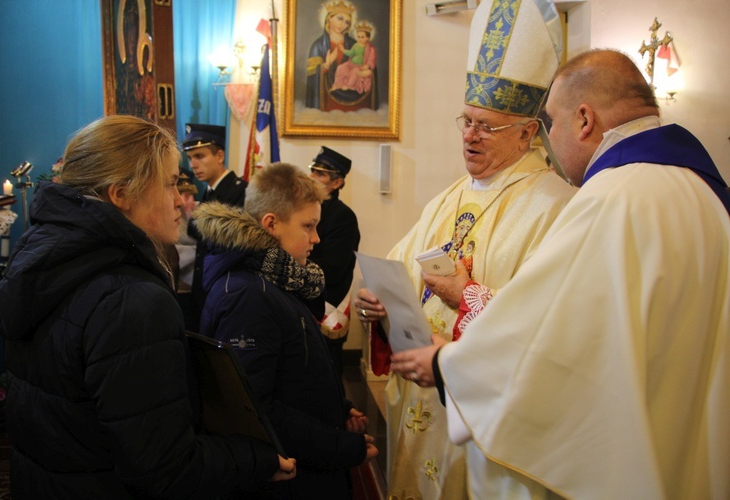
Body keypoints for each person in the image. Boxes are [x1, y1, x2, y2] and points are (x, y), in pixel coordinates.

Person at [390, 49, 730, 498]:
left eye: (549, 124)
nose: (548, 143)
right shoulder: (703, 192)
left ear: (584, 120)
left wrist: (448, 364)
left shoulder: (610, 197)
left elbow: (556, 341)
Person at [0, 115, 295, 497]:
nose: (180, 202)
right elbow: (163, 466)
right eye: (169, 185)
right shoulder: (132, 301)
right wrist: (257, 459)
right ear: (122, 194)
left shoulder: (42, 259)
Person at [354, 0, 577, 497]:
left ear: (527, 132)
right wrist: (378, 303)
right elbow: (400, 269)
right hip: (423, 395)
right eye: (467, 121)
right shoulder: (450, 196)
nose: (471, 137)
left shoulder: (558, 209)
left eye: (488, 126)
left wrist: (468, 296)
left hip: (480, 414)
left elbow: (554, 329)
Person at [193, 162, 377, 499]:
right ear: (271, 224)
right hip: (291, 479)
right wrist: (341, 446)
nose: (316, 238)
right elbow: (257, 410)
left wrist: (338, 408)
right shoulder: (248, 296)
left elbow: (294, 369)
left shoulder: (275, 277)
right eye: (308, 226)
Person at [182, 122, 247, 331]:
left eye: (199, 156)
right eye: (190, 158)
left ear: (219, 156)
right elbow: (198, 236)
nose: (193, 165)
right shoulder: (210, 192)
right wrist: (190, 215)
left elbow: (227, 245)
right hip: (206, 287)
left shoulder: (239, 192)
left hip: (226, 290)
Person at [307, 146, 361, 381]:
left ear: (337, 183)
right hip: (305, 302)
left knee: (328, 375)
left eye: (320, 174)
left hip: (326, 303)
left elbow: (333, 268)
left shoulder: (343, 217)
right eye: (312, 171)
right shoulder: (307, 209)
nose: (312, 178)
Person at [331, 21, 376, 95]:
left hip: (360, 66)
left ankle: (348, 86)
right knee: (341, 67)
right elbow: (351, 53)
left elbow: (371, 59)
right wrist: (343, 50)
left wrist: (367, 65)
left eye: (362, 37)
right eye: (358, 37)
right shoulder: (356, 45)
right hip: (351, 63)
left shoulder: (371, 49)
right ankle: (337, 84)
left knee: (355, 71)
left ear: (368, 38)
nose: (360, 39)